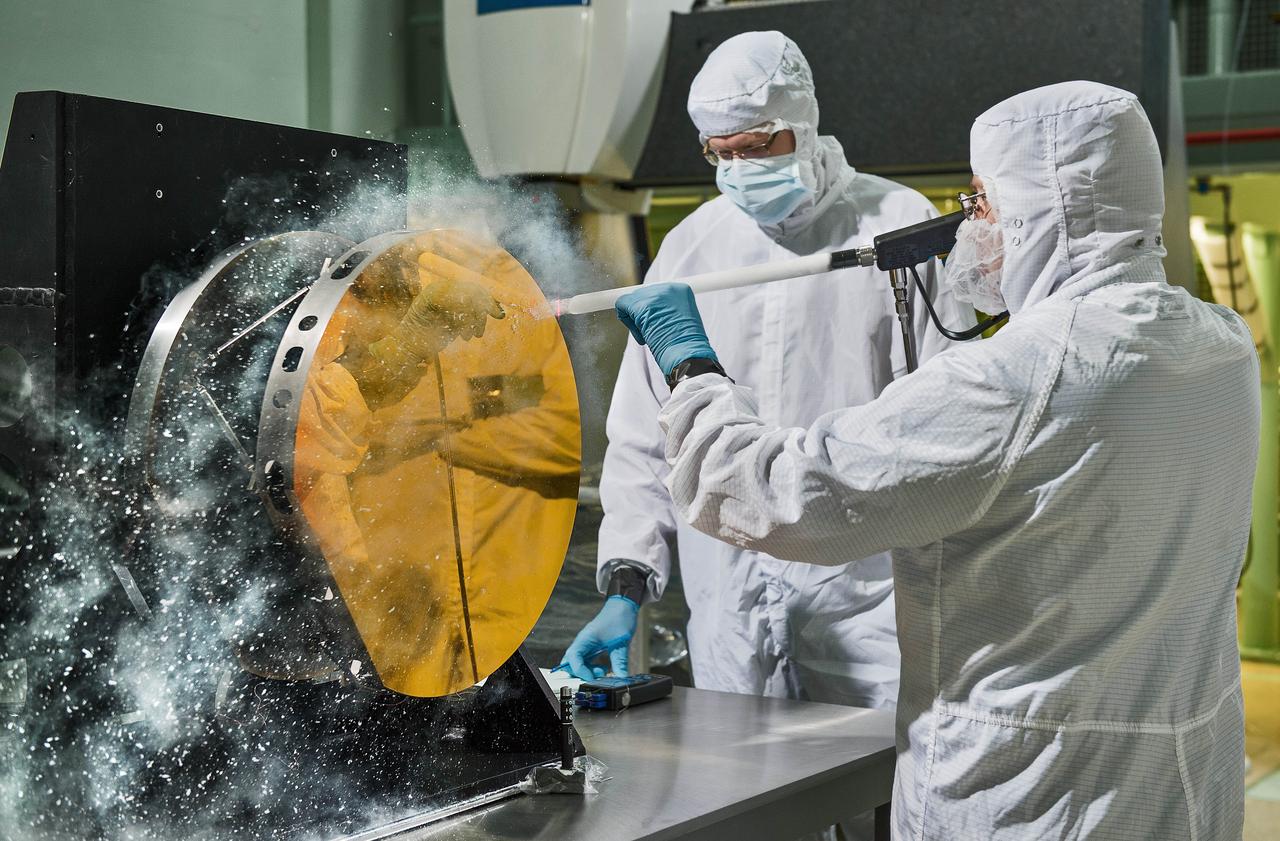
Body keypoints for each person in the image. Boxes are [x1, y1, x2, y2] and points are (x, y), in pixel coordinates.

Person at [613, 80, 1257, 840]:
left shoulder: (1013, 380)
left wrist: (689, 366)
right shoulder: (1219, 346)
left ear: (1039, 205)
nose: (970, 222)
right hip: (1178, 786)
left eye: (982, 200)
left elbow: (777, 495)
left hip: (1034, 796)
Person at [563, 30, 973, 722]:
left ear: (802, 125)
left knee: (877, 799)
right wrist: (624, 589)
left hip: (864, 608)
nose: (739, 167)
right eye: (720, 154)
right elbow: (644, 438)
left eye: (757, 146)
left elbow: (944, 430)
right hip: (729, 607)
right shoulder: (692, 248)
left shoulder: (896, 231)